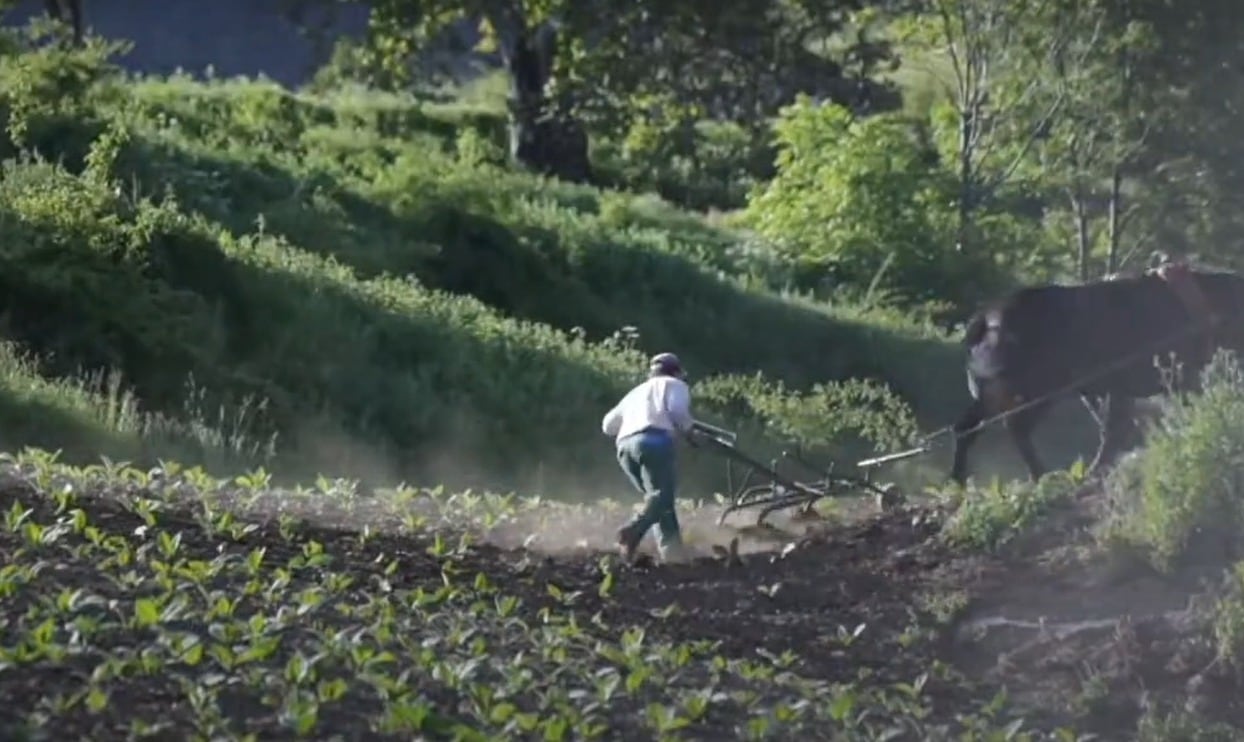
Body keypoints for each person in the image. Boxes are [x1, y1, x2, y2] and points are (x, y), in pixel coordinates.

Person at [601, 352, 699, 564]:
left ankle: (673, 554)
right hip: (654, 442)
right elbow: (677, 411)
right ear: (676, 372)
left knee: (658, 502)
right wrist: (690, 432)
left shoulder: (635, 392)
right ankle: (632, 531)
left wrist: (633, 422)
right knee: (662, 497)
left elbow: (608, 426)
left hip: (625, 448)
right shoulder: (675, 385)